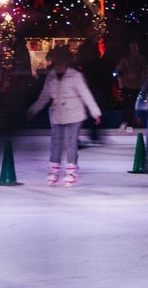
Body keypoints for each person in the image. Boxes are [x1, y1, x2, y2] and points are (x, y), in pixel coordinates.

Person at [26, 46, 102, 187]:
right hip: (57, 114)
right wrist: (33, 110)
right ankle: (54, 171)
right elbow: (44, 96)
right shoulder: (50, 77)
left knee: (70, 142)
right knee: (56, 143)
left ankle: (71, 171)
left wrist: (95, 112)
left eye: (61, 63)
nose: (58, 67)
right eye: (56, 64)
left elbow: (86, 95)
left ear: (66, 63)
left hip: (74, 114)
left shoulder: (75, 76)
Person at [114, 42, 148, 129]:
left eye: (135, 48)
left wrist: (142, 81)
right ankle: (126, 120)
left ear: (137, 49)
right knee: (126, 103)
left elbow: (144, 72)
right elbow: (120, 70)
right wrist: (120, 82)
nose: (133, 49)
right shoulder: (125, 58)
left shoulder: (141, 59)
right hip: (126, 84)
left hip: (136, 85)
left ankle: (129, 123)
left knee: (132, 104)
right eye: (131, 48)